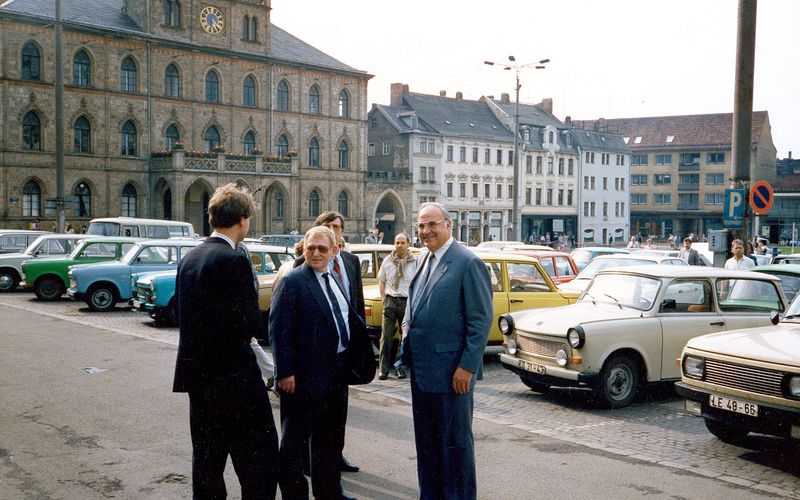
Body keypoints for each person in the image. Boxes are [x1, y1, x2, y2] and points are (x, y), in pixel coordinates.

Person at [172, 183, 278, 499]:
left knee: (207, 464)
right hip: (234, 381)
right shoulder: (234, 259)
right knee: (258, 461)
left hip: (198, 379)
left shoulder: (189, 257)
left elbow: (182, 315)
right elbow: (249, 324)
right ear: (243, 219)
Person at [401, 202, 492, 500]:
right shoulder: (423, 259)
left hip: (453, 373)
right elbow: (412, 306)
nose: (426, 231)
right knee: (427, 444)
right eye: (421, 226)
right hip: (424, 371)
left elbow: (480, 321)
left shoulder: (467, 262)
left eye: (432, 224)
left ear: (448, 225)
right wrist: (406, 331)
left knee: (455, 447)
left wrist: (467, 367)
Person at [271, 226, 364, 500]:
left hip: (335, 373)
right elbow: (279, 329)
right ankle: (294, 494)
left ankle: (329, 492)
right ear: (304, 247)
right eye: (311, 247)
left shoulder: (333, 277)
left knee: (329, 440)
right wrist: (285, 371)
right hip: (302, 378)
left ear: (335, 251)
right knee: (294, 445)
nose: (316, 253)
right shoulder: (293, 281)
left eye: (323, 248)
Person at [293, 211, 363, 475]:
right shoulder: (304, 264)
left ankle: (337, 454)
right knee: (315, 413)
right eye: (327, 226)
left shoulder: (350, 261)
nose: (333, 230)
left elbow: (354, 304)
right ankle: (313, 459)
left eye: (337, 227)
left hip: (342, 353)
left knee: (338, 410)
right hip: (315, 353)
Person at [376, 232, 416, 380]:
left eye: (402, 242)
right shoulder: (388, 260)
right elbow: (382, 280)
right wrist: (383, 299)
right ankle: (384, 369)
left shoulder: (415, 262)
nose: (399, 245)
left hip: (406, 302)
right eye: (397, 243)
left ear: (408, 244)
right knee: (386, 337)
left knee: (405, 337)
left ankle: (401, 367)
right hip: (391, 301)